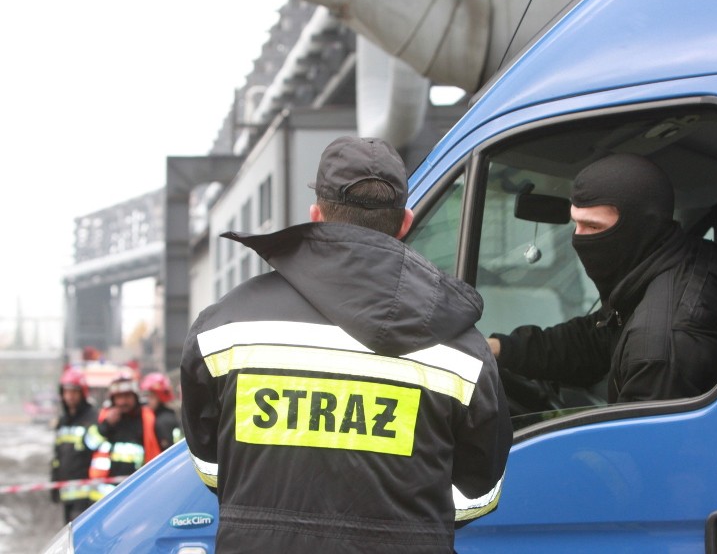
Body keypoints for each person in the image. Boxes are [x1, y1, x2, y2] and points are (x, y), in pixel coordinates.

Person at [181, 136, 512, 553]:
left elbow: (212, 466)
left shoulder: (222, 330)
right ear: (405, 221)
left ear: (316, 215)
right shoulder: (463, 352)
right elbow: (478, 494)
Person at [489, 153, 717, 407]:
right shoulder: (674, 261)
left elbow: (637, 442)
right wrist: (501, 348)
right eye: (575, 224)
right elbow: (595, 339)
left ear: (640, 226)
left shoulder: (659, 348)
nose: (578, 239)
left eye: (593, 227)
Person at [84, 374, 162, 501]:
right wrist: (106, 425)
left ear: (135, 396)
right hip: (104, 496)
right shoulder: (105, 417)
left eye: (127, 396)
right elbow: (89, 444)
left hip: (138, 492)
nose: (123, 402)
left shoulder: (147, 418)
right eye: (119, 397)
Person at [50, 367, 98, 522]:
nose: (69, 396)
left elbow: (96, 448)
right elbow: (58, 455)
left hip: (87, 493)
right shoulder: (63, 421)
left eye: (74, 392)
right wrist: (54, 483)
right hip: (66, 492)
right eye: (66, 392)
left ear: (82, 393)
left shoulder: (92, 417)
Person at [140, 372, 183, 450]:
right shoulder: (170, 414)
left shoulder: (162, 421)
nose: (147, 400)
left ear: (160, 397)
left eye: (151, 396)